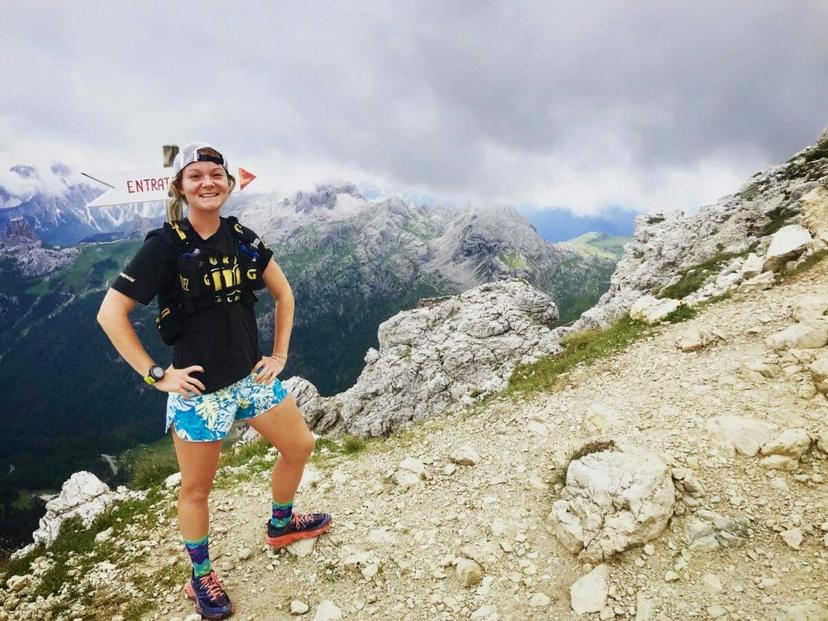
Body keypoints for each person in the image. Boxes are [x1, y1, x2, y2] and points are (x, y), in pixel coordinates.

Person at [97, 143, 331, 620]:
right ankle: (200, 574)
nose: (208, 182)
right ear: (181, 187)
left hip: (251, 379)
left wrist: (279, 354)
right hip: (199, 392)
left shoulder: (242, 237)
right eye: (196, 175)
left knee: (300, 445)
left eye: (216, 174)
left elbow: (284, 294)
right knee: (197, 490)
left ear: (228, 183)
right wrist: (157, 375)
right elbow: (110, 313)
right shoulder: (164, 246)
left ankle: (281, 525)